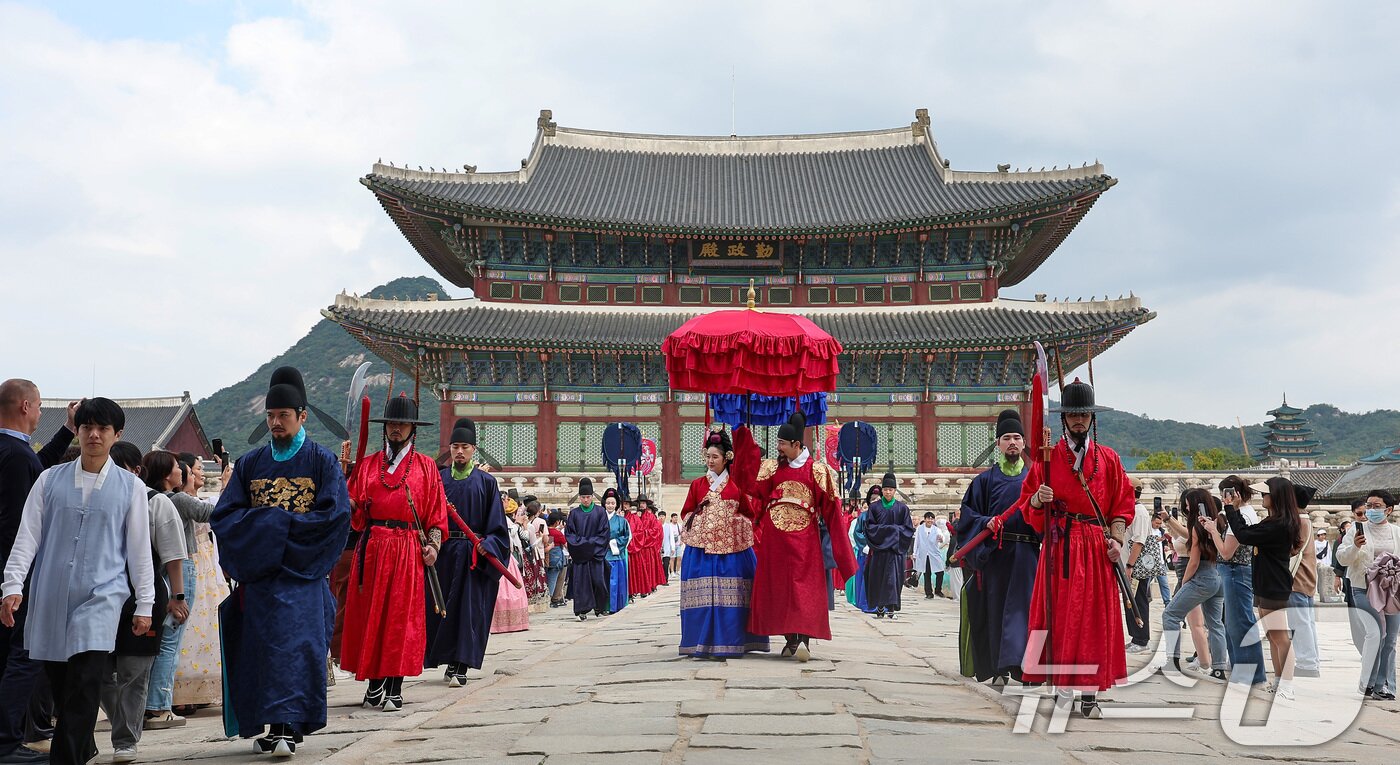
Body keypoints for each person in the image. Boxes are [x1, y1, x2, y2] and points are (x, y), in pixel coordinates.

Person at [2, 398, 155, 765]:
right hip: (50, 596)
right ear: (79, 430)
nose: (94, 434)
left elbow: (138, 550)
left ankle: (66, 759)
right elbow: (28, 537)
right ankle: (82, 747)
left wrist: (145, 603)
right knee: (62, 685)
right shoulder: (49, 480)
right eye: (87, 427)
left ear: (116, 435)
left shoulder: (130, 488)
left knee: (85, 683)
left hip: (103, 595)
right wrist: (12, 585)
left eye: (103, 429)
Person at [211, 367, 350, 756]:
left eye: (283, 416)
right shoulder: (251, 464)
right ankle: (273, 727)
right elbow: (225, 517)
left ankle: (289, 725)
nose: (275, 422)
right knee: (261, 653)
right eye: (270, 416)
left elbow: (335, 518)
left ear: (301, 416)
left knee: (296, 649)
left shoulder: (322, 462)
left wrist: (272, 526)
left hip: (303, 577)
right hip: (261, 578)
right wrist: (277, 525)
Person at [1013, 378, 1134, 718]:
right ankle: (1061, 685)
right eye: (1073, 415)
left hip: (1096, 547)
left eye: (1084, 414)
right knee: (1061, 617)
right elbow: (1027, 506)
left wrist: (1117, 539)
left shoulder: (1108, 459)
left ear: (1091, 417)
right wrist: (1039, 499)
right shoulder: (1046, 459)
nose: (1079, 420)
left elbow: (1122, 504)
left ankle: (1090, 694)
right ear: (1064, 417)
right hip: (1060, 547)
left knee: (1095, 620)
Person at [343, 395, 448, 712]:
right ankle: (374, 684)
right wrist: (342, 485)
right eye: (392, 423)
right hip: (373, 546)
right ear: (384, 428)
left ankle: (396, 685)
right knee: (373, 616)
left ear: (413, 429)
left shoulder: (426, 468)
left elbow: (436, 515)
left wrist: (433, 545)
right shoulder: (368, 466)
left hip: (408, 549)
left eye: (402, 424)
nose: (396, 429)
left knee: (403, 620)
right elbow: (355, 512)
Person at [730, 412, 856, 662]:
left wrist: (843, 553)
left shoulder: (817, 470)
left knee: (803, 589)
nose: (778, 447)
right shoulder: (772, 468)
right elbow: (750, 485)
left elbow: (831, 509)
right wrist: (743, 441)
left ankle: (804, 639)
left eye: (782, 443)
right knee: (779, 588)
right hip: (774, 540)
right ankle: (790, 639)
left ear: (796, 445)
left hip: (805, 540)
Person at [0, 381, 74, 765]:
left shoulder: (14, 452)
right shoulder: (14, 455)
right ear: (26, 406)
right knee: (24, 654)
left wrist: (67, 431)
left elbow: (38, 472)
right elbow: (18, 522)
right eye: (41, 406)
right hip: (13, 571)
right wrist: (20, 576)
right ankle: (7, 741)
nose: (41, 413)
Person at [99, 446, 187, 762]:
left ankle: (125, 740)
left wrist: (178, 597)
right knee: (99, 672)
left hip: (144, 597)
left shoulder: (156, 502)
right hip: (102, 597)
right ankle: (123, 726)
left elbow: (174, 556)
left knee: (134, 673)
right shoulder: (98, 502)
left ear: (137, 470)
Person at [953, 408, 1037, 684]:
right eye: (1006, 438)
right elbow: (967, 516)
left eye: (1016, 437)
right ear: (998, 443)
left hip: (1026, 555)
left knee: (1026, 611)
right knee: (996, 609)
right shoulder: (984, 482)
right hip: (996, 554)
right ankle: (998, 668)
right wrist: (985, 522)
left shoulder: (1034, 481)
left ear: (1024, 443)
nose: (1012, 442)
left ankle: (1024, 668)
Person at [426, 419, 509, 688]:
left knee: (468, 611)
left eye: (465, 447)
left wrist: (489, 544)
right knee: (443, 608)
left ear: (474, 449)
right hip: (445, 553)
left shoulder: (486, 483)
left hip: (473, 555)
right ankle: (447, 659)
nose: (459, 452)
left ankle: (461, 665)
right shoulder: (438, 480)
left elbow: (498, 526)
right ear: (449, 449)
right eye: (455, 446)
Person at [678, 427, 767, 659]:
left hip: (731, 551)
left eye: (714, 457)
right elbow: (687, 511)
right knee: (703, 596)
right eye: (707, 456)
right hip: (702, 550)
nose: (709, 461)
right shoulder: (697, 485)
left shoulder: (736, 486)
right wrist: (699, 521)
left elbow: (748, 515)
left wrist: (733, 523)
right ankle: (700, 642)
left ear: (726, 458)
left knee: (734, 595)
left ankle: (733, 641)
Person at [1219, 477, 1302, 699]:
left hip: (1274, 584)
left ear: (1276, 496)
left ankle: (1287, 684)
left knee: (1280, 636)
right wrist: (1234, 510)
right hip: (1265, 582)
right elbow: (1246, 531)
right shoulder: (1273, 520)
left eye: (1266, 494)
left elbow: (1244, 535)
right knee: (1272, 635)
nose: (1263, 497)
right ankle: (1278, 680)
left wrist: (1229, 507)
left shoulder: (1279, 524)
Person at [145, 455, 212, 728]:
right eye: (176, 468)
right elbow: (211, 514)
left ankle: (154, 704)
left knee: (161, 639)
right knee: (171, 640)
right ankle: (159, 707)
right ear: (165, 475)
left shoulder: (148, 499)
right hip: (180, 569)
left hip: (159, 570)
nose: (180, 470)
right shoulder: (178, 499)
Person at [1159, 489, 1229, 683]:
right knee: (1215, 624)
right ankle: (1219, 669)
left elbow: (1194, 561)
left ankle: (1172, 662)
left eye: (1189, 503)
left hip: (1202, 577)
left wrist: (1184, 583)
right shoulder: (1219, 523)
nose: (1187, 507)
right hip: (1218, 576)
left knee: (1170, 615)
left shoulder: (1198, 526)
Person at [1336, 490, 1400, 700]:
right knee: (1375, 633)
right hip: (1362, 587)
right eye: (1369, 505)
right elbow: (1342, 558)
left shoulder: (1396, 532)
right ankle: (1367, 683)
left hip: (1391, 590)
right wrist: (1355, 546)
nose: (1371, 510)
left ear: (1388, 510)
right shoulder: (1356, 529)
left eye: (1376, 506)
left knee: (1390, 639)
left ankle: (1385, 685)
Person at [1214, 476, 1268, 687]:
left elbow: (1227, 552)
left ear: (1234, 493)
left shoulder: (1243, 515)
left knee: (1240, 623)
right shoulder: (1243, 513)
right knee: (1234, 622)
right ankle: (1241, 670)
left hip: (1236, 570)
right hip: (1237, 571)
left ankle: (1250, 673)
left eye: (1225, 493)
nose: (1222, 498)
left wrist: (1212, 532)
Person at [864, 473, 914, 620]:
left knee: (894, 580)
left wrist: (890, 532)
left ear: (894, 491)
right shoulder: (874, 508)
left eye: (891, 490)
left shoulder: (902, 509)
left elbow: (908, 529)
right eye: (885, 489)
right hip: (880, 551)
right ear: (882, 491)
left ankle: (891, 609)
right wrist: (893, 530)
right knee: (878, 579)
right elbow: (870, 528)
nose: (888, 492)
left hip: (895, 551)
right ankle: (880, 608)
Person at [564, 479, 610, 621]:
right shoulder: (574, 514)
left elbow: (604, 534)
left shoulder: (600, 512)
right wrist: (586, 546)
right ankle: (582, 611)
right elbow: (570, 535)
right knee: (581, 584)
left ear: (592, 496)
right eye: (583, 497)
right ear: (579, 497)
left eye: (588, 497)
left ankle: (599, 606)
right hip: (581, 556)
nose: (585, 500)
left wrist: (588, 545)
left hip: (595, 555)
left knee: (598, 581)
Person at [490, 502, 529, 634]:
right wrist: (517, 524)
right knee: (502, 592)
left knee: (512, 590)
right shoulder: (498, 518)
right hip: (500, 556)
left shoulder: (505, 518)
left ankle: (513, 621)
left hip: (508, 556)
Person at [604, 489, 631, 613]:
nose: (610, 505)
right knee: (602, 583)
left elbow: (626, 537)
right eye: (608, 503)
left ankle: (613, 606)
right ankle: (601, 607)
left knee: (614, 583)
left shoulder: (622, 521)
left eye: (613, 503)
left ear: (616, 505)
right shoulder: (599, 519)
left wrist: (612, 543)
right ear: (604, 503)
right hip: (602, 556)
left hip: (615, 555)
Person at [844, 498, 871, 612]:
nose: (866, 510)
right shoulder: (856, 521)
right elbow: (852, 535)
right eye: (864, 507)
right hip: (859, 550)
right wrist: (862, 546)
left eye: (868, 508)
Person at [912, 513, 945, 600]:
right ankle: (929, 593)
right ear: (925, 519)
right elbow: (917, 541)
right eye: (928, 518)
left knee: (940, 572)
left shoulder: (936, 529)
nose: (930, 520)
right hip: (924, 554)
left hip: (934, 553)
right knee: (927, 573)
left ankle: (938, 590)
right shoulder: (920, 529)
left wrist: (941, 539)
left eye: (931, 519)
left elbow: (941, 538)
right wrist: (914, 553)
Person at [545, 512, 569, 608]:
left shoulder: (548, 531)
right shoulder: (557, 533)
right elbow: (566, 545)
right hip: (557, 558)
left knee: (550, 577)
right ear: (556, 522)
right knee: (554, 579)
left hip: (549, 556)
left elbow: (549, 542)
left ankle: (551, 597)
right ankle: (551, 598)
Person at [662, 512, 679, 584]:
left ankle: (665, 579)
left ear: (665, 517)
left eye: (662, 516)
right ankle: (661, 579)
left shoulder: (668, 526)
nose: (661, 518)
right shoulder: (656, 525)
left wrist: (672, 547)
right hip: (658, 549)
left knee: (666, 564)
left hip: (666, 548)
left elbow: (671, 537)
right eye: (660, 516)